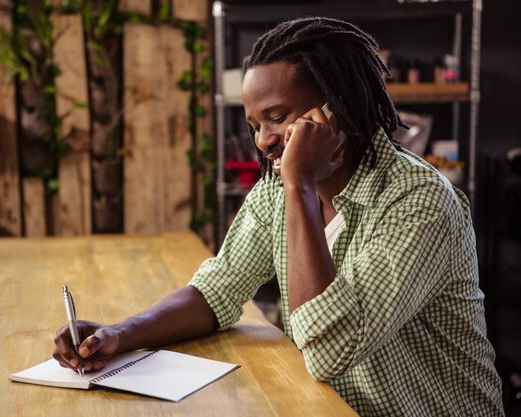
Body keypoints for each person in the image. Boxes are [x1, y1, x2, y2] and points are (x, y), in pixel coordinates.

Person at [54, 17, 504, 416]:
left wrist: (300, 185)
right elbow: (217, 291)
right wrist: (119, 334)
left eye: (277, 116)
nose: (265, 141)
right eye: (254, 125)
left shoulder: (419, 201)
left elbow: (330, 348)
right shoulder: (279, 188)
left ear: (335, 109)